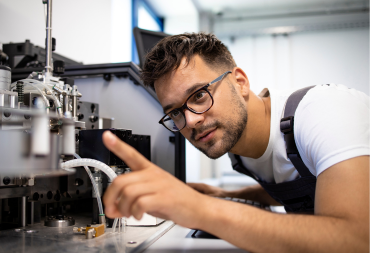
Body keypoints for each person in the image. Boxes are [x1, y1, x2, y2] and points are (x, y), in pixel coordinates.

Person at [102, 33, 369, 252]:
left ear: (239, 82)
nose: (191, 121)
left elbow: (358, 240)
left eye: (198, 95)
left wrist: (200, 209)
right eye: (175, 112)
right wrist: (228, 196)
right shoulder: (236, 146)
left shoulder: (321, 112)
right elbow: (299, 185)